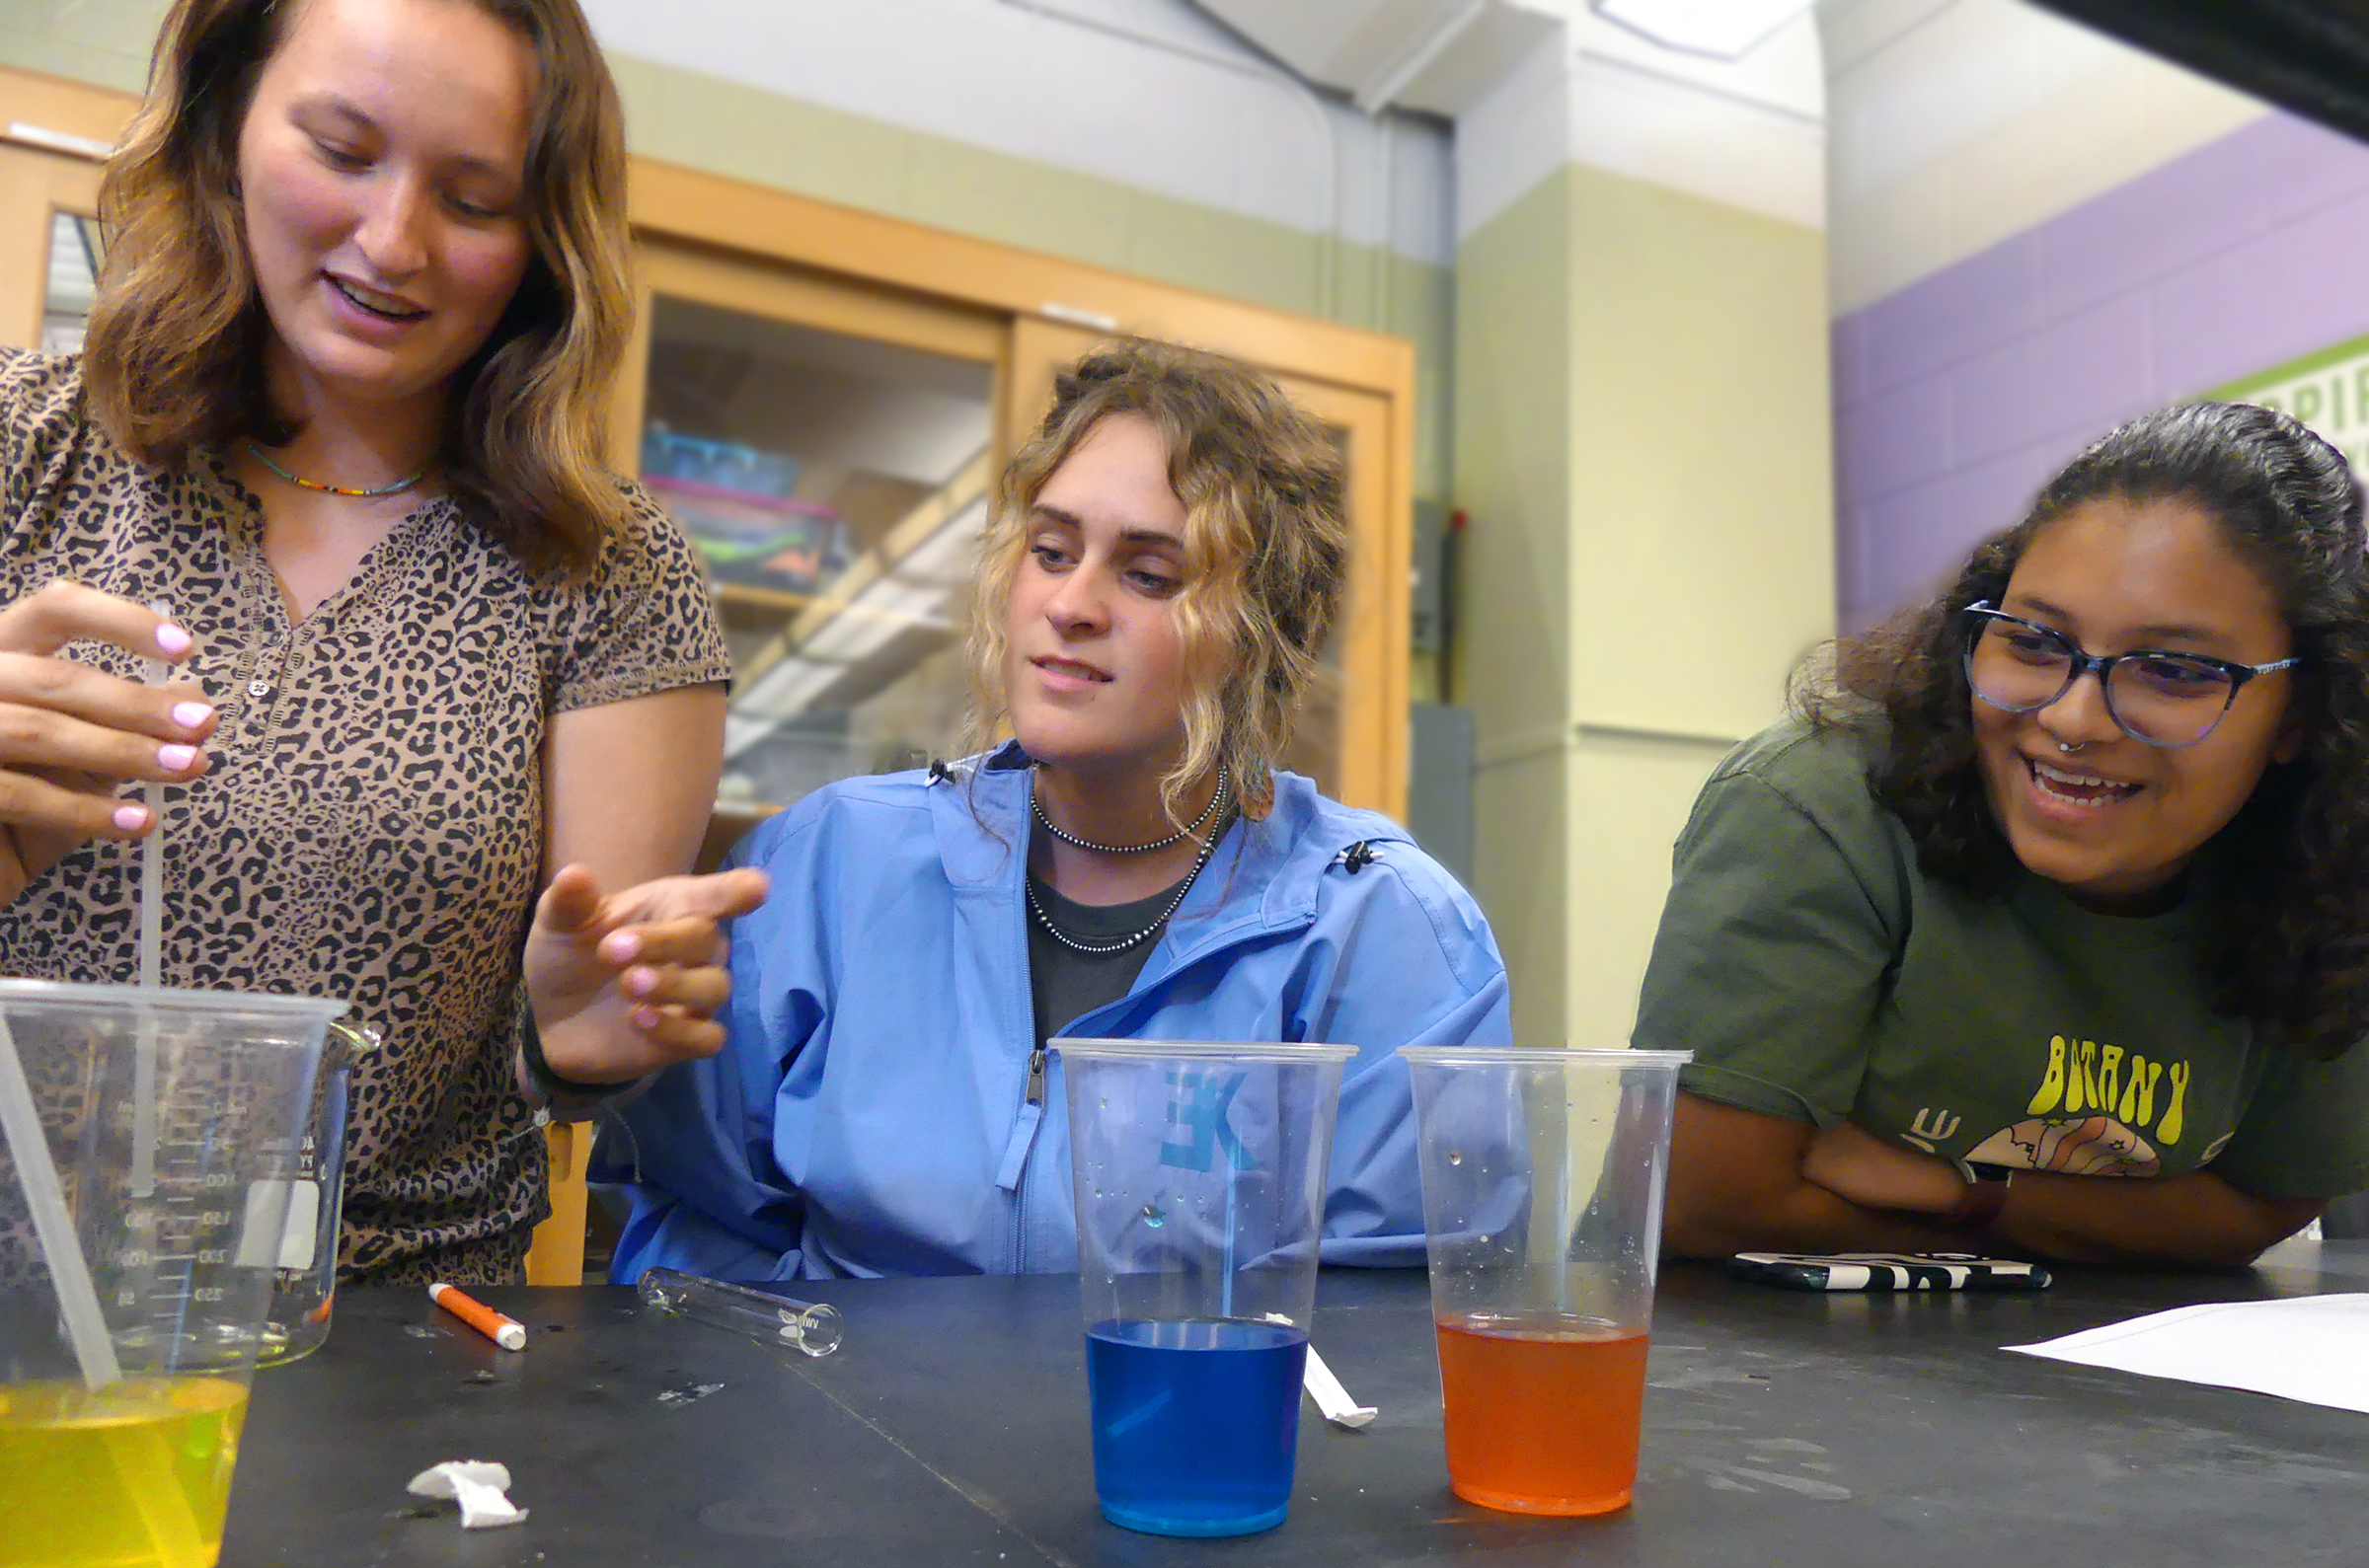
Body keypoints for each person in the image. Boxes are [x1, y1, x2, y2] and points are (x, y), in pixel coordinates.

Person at [0, 0, 765, 1285]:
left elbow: (573, 1034)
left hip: (393, 1346)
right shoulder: (29, 447)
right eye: (344, 152)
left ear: (543, 241)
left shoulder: (606, 569)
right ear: (224, 123)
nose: (392, 240)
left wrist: (576, 1041)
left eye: (474, 202)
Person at [599, 340, 1509, 1282]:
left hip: (1189, 1426)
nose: (1071, 604)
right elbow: (690, 1234)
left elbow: (1396, 1341)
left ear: (1261, 637)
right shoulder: (829, 862)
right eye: (1051, 551)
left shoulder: (1379, 929)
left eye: (1149, 575)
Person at [1637, 402, 2369, 1267]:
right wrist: (2096, 1228)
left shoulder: (2334, 867)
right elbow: (1705, 1205)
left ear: (2305, 714)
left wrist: (1967, 1194)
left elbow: (2259, 1205)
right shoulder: (1825, 802)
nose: (2073, 716)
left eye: (2173, 670)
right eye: (2034, 642)